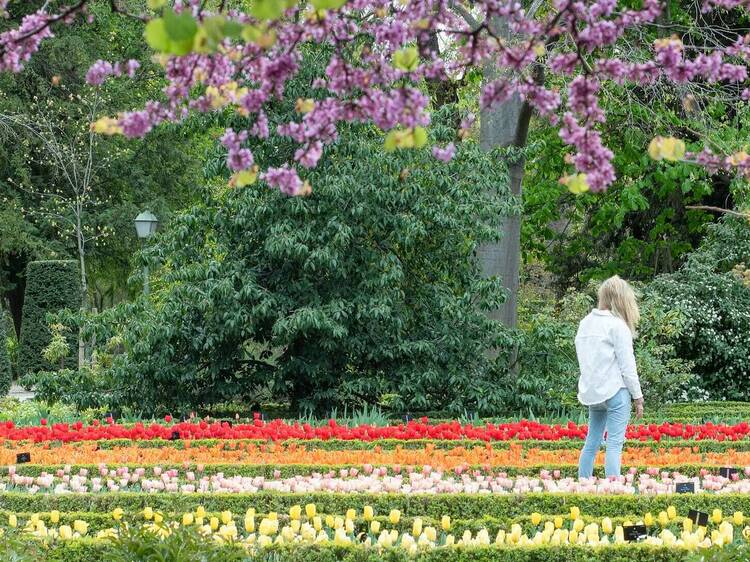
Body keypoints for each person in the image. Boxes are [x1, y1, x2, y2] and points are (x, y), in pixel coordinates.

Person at [576, 275, 644, 479]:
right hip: (615, 392)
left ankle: (582, 485)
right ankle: (613, 490)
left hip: (593, 393)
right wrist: (638, 397)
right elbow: (628, 366)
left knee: (592, 442)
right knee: (614, 444)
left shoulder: (585, 323)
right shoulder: (617, 326)